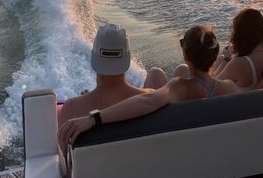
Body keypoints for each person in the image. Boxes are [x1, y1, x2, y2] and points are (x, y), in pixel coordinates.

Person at [59, 25, 238, 147]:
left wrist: (93, 117)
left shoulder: (70, 109)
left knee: (157, 73)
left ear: (186, 56)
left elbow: (149, 101)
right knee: (158, 73)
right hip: (216, 165)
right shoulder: (230, 88)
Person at [58, 23, 151, 154]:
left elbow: (63, 160)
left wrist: (85, 99)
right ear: (128, 59)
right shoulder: (149, 100)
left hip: (91, 174)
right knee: (155, 73)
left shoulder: (71, 108)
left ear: (93, 57)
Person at [212, 8, 263, 89]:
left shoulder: (239, 62)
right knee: (220, 58)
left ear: (240, 33)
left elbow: (212, 87)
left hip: (239, 100)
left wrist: (226, 59)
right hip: (261, 97)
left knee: (221, 59)